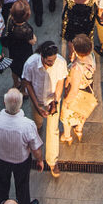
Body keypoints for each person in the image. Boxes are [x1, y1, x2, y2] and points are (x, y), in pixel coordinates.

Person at [0, 88, 44, 204]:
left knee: (1, 184)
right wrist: (39, 160)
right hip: (21, 162)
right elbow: (35, 148)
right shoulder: (27, 125)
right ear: (20, 104)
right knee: (22, 185)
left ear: (5, 103)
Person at [20, 41, 67, 177]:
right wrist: (36, 105)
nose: (52, 63)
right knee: (37, 124)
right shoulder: (31, 63)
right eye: (49, 61)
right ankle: (38, 131)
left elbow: (60, 82)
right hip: (38, 100)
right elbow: (27, 83)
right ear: (42, 56)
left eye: (54, 60)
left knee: (53, 130)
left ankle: (53, 161)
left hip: (52, 100)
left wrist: (55, 102)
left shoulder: (60, 63)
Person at [59, 34, 99, 143]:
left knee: (67, 116)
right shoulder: (91, 55)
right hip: (88, 87)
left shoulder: (76, 68)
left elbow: (74, 91)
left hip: (78, 92)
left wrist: (66, 102)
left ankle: (67, 136)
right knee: (83, 110)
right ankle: (79, 129)